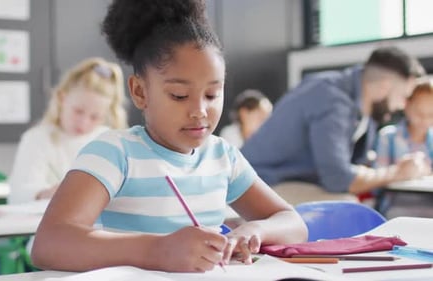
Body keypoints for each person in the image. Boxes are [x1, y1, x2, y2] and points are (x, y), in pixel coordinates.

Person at [32, 0, 307, 273]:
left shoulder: (223, 156)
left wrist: (255, 229)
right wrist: (158, 250)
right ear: (140, 92)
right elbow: (50, 243)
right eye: (179, 96)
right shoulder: (115, 153)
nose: (200, 111)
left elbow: (293, 223)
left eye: (212, 94)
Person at [241, 46, 430, 205]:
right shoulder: (332, 99)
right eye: (404, 97)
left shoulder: (363, 110)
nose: (402, 106)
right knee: (347, 206)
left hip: (289, 181)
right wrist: (398, 172)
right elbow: (338, 179)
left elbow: (351, 165)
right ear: (384, 86)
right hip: (257, 182)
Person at [8, 57, 127, 204]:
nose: (83, 123)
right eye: (78, 111)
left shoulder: (110, 141)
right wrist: (47, 193)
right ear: (62, 98)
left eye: (95, 117)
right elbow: (17, 195)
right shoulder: (36, 139)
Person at [374, 79, 433, 217]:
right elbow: (376, 185)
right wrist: (400, 171)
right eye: (419, 113)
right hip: (396, 206)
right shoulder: (388, 136)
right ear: (406, 106)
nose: (424, 120)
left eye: (431, 115)